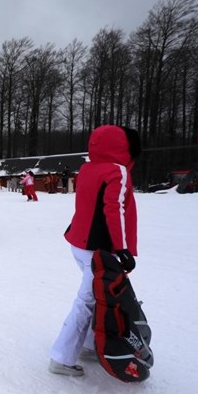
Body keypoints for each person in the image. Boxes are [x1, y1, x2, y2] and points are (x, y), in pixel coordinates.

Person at [48, 124, 141, 377]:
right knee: (87, 301)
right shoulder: (117, 171)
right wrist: (121, 248)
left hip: (79, 243)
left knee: (98, 297)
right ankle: (62, 357)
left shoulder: (88, 167)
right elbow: (115, 209)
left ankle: (90, 345)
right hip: (98, 248)